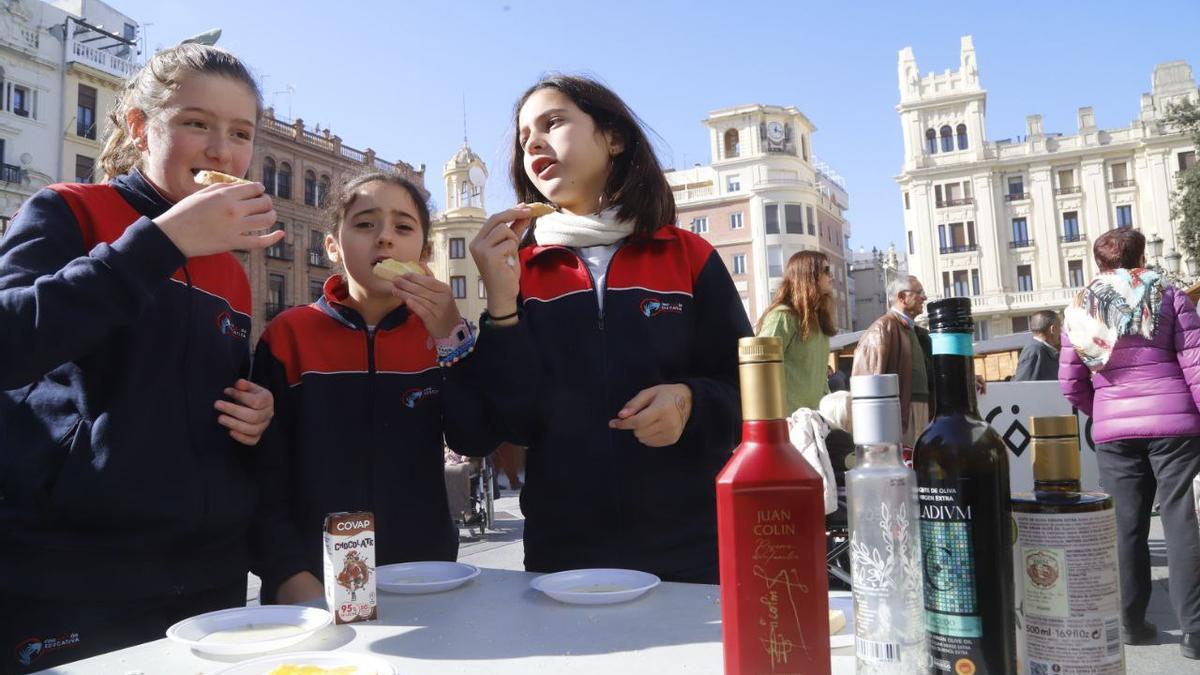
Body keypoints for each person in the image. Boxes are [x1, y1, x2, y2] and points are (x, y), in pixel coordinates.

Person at [0, 45, 281, 671]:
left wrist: (254, 410)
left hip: (208, 576)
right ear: (138, 126)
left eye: (240, 133)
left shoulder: (232, 272)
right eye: (195, 123)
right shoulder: (68, 209)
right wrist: (159, 243)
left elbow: (193, 395)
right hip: (72, 576)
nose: (220, 150)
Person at [468, 74, 752, 583]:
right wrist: (502, 308)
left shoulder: (690, 257)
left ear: (614, 138)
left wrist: (690, 402)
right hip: (562, 555)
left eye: (552, 122)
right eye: (523, 136)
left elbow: (748, 396)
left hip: (690, 549)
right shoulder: (521, 269)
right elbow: (509, 424)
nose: (532, 141)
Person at [248, 172, 499, 604]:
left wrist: (450, 337)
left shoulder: (442, 335)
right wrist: (287, 569)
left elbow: (473, 437)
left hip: (424, 570)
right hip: (312, 577)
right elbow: (259, 470)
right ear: (333, 247)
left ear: (424, 252)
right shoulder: (290, 334)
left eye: (403, 227)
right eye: (365, 224)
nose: (385, 239)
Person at [1060, 228, 1200, 660]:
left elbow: (1071, 384)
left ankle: (1132, 624)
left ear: (1098, 262)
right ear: (1141, 256)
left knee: (1126, 526)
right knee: (1180, 520)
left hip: (1115, 430)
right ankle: (1195, 632)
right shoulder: (1171, 295)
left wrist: (1102, 410)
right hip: (1175, 424)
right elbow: (1195, 361)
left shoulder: (1080, 307)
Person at [851, 275, 935, 447]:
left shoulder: (915, 332)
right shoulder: (883, 329)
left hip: (919, 411)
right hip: (903, 416)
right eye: (919, 292)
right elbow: (868, 384)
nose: (924, 298)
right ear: (902, 297)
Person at [756, 250, 839, 413]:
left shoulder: (819, 320)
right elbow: (759, 370)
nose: (832, 276)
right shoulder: (782, 316)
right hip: (785, 425)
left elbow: (820, 378)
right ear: (808, 275)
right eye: (826, 270)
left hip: (815, 422)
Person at [1013, 309, 1061, 381]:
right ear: (1053, 329)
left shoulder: (1041, 349)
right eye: (1060, 327)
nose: (1061, 331)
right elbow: (1023, 387)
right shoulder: (1034, 350)